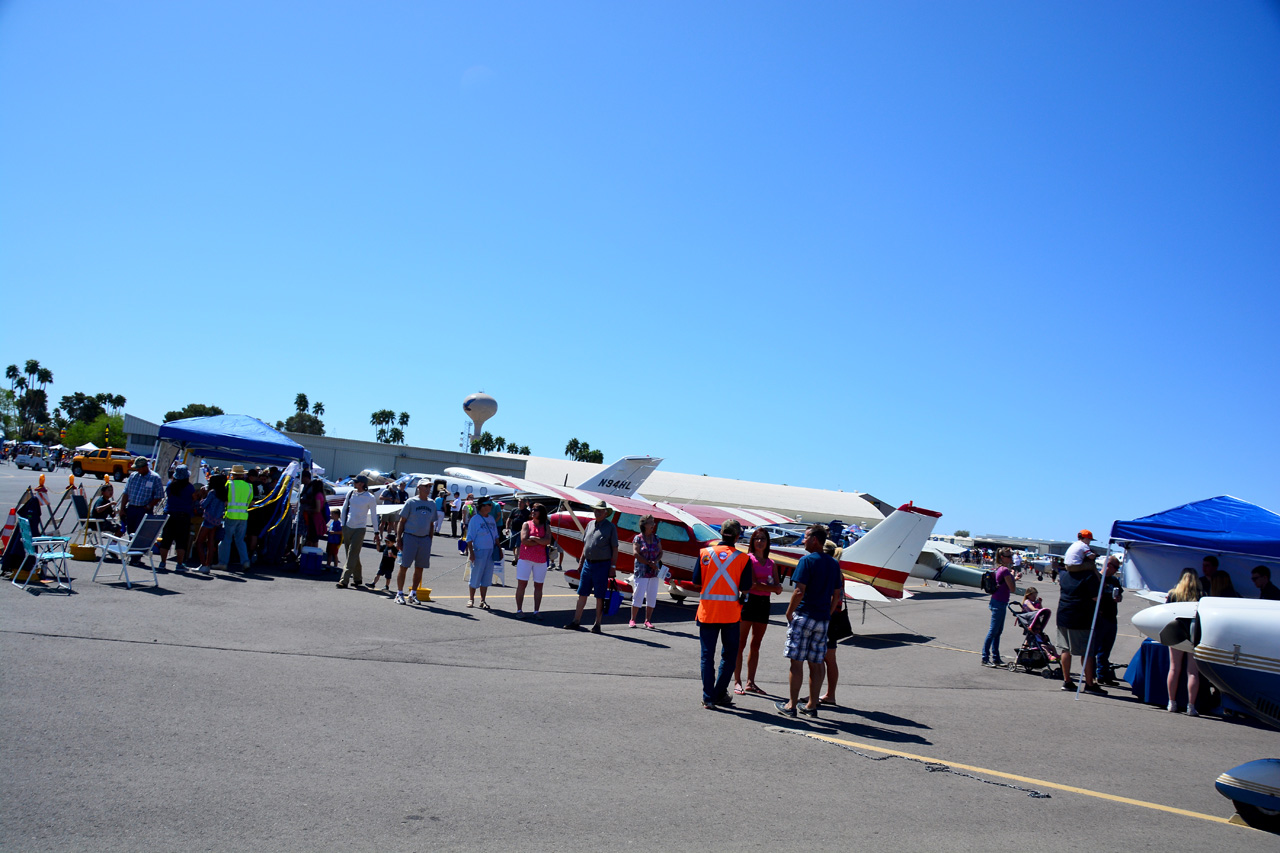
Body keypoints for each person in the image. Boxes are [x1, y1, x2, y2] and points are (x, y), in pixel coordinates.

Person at [775, 524, 841, 719]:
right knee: (816, 663)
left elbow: (799, 590)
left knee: (796, 663)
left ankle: (791, 705)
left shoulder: (806, 561)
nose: (802, 541)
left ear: (814, 539)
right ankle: (812, 705)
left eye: (805, 538)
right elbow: (836, 594)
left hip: (804, 616)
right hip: (822, 620)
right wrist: (827, 612)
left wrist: (789, 613)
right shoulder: (834, 564)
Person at [693, 519, 753, 710]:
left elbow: (696, 582)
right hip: (730, 615)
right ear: (737, 536)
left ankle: (708, 697)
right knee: (729, 655)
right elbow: (745, 587)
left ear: (722, 534)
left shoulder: (705, 554)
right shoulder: (743, 559)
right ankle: (719, 693)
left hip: (708, 613)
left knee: (707, 656)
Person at [733, 526, 781, 695]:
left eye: (763, 539)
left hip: (763, 603)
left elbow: (779, 588)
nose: (759, 541)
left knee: (756, 645)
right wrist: (770, 586)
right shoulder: (748, 559)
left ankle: (750, 682)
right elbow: (752, 584)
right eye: (756, 538)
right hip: (748, 602)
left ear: (768, 542)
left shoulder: (771, 563)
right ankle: (737, 680)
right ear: (752, 542)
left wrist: (769, 587)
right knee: (740, 644)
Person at [1057, 535, 1106, 695]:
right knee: (1088, 652)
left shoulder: (1064, 574)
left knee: (1066, 649)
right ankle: (1090, 684)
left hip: (1064, 615)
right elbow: (1095, 598)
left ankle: (1067, 681)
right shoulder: (1089, 576)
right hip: (1081, 618)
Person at [563, 500, 618, 633]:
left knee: (599, 595)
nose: (597, 512)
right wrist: (581, 562)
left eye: (600, 510)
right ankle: (576, 620)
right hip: (588, 564)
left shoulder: (610, 528)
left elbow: (614, 548)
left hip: (602, 565)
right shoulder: (590, 524)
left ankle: (597, 624)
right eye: (595, 509)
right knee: (582, 592)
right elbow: (585, 545)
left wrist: (613, 566)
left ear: (606, 513)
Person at [394, 480, 438, 605]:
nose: (428, 489)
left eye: (429, 486)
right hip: (410, 537)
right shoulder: (411, 502)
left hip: (424, 539)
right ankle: (399, 593)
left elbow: (431, 524)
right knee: (404, 566)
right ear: (419, 487)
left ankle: (413, 593)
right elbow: (402, 521)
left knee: (420, 568)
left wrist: (430, 539)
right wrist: (398, 539)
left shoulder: (432, 504)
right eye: (425, 486)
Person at [1166, 568, 1202, 715]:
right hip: (1194, 634)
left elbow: (1166, 613)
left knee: (1174, 668)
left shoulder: (1173, 594)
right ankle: (1191, 706)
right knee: (1193, 672)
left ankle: (1171, 702)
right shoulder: (1202, 595)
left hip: (1176, 632)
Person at [336, 475, 378, 589]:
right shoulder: (350, 493)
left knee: (352, 554)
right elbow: (344, 509)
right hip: (348, 527)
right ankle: (358, 578)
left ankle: (344, 580)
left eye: (357, 482)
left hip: (360, 528)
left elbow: (374, 515)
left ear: (362, 484)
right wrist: (343, 524)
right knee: (352, 554)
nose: (354, 484)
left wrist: (376, 532)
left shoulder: (370, 497)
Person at [514, 504, 553, 619]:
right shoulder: (526, 524)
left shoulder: (546, 526)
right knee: (522, 585)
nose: (533, 511)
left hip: (540, 560)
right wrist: (541, 542)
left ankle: (536, 611)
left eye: (535, 510)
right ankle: (519, 609)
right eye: (532, 510)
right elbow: (524, 541)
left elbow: (548, 540)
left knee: (539, 586)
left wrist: (535, 539)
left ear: (541, 512)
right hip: (525, 559)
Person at [213, 464, 254, 571]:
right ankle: (245, 562)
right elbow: (250, 503)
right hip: (243, 516)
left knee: (226, 540)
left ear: (233, 475)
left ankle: (223, 562)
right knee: (240, 541)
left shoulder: (229, 484)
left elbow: (225, 501)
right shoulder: (249, 486)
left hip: (231, 515)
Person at [981, 548, 1016, 667]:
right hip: (999, 603)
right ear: (1002, 557)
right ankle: (985, 658)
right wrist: (1013, 576)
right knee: (993, 631)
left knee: (997, 631)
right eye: (1009, 556)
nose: (1011, 559)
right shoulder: (1005, 570)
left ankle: (995, 657)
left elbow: (1006, 585)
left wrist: (1013, 578)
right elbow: (1012, 588)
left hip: (997, 601)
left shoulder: (1000, 569)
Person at [156, 465, 195, 570]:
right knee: (181, 541)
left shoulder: (170, 485)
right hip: (183, 516)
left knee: (166, 539)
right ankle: (179, 564)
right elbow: (193, 499)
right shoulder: (190, 487)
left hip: (169, 514)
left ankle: (162, 563)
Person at [1093, 556, 1124, 685]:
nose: (1117, 570)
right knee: (1095, 649)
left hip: (1111, 617)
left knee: (1106, 649)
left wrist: (1118, 598)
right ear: (1109, 565)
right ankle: (1094, 674)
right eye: (1116, 567)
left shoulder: (1114, 580)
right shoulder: (1097, 579)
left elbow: (1120, 595)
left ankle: (1103, 674)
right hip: (1100, 617)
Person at [629, 515, 664, 629]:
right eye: (650, 523)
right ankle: (633, 619)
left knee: (652, 596)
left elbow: (660, 552)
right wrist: (649, 563)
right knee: (638, 595)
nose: (653, 525)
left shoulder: (656, 537)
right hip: (642, 571)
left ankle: (647, 620)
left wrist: (656, 561)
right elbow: (635, 553)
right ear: (644, 525)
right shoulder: (638, 538)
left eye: (653, 522)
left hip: (653, 572)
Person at [465, 498, 500, 609]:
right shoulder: (475, 519)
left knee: (487, 576)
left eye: (490, 504)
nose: (490, 506)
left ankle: (483, 600)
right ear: (482, 506)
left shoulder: (491, 519)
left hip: (490, 551)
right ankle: (471, 599)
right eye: (488, 505)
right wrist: (471, 552)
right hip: (479, 551)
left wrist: (499, 549)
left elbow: (496, 536)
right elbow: (469, 537)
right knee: (475, 575)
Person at [119, 456, 164, 540]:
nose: (137, 470)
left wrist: (148, 506)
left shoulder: (154, 478)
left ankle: (138, 551)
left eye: (139, 468)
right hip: (132, 507)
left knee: (140, 532)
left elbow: (159, 495)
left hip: (143, 509)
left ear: (145, 467)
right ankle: (131, 549)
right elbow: (126, 493)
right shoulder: (133, 476)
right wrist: (122, 509)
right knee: (131, 531)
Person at [192, 474, 226, 572]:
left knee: (199, 542)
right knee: (211, 542)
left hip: (208, 520)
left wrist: (202, 496)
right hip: (216, 520)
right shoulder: (223, 493)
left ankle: (203, 564)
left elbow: (203, 505)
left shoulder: (212, 492)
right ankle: (208, 564)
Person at [507, 498, 531, 566]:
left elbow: (529, 521)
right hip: (513, 529)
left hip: (521, 531)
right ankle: (516, 556)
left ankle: (516, 559)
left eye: (521, 502)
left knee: (518, 545)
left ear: (524, 504)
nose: (519, 503)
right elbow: (509, 519)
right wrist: (507, 528)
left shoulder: (526, 512)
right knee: (512, 545)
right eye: (519, 502)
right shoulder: (514, 510)